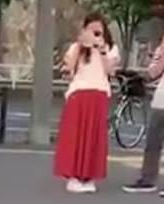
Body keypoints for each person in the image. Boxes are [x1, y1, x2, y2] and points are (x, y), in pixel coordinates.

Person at [54, 12, 120, 194]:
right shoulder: (76, 47)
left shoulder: (110, 49)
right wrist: (81, 46)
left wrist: (101, 49)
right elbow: (68, 70)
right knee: (75, 136)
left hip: (99, 93)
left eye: (98, 31)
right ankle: (73, 176)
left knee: (94, 137)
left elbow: (110, 71)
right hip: (79, 93)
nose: (95, 35)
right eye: (91, 31)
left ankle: (89, 176)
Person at [123, 27, 164, 195]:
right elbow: (156, 69)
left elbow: (156, 69)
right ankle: (147, 179)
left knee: (153, 143)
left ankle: (148, 179)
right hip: (163, 97)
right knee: (153, 142)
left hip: (163, 98)